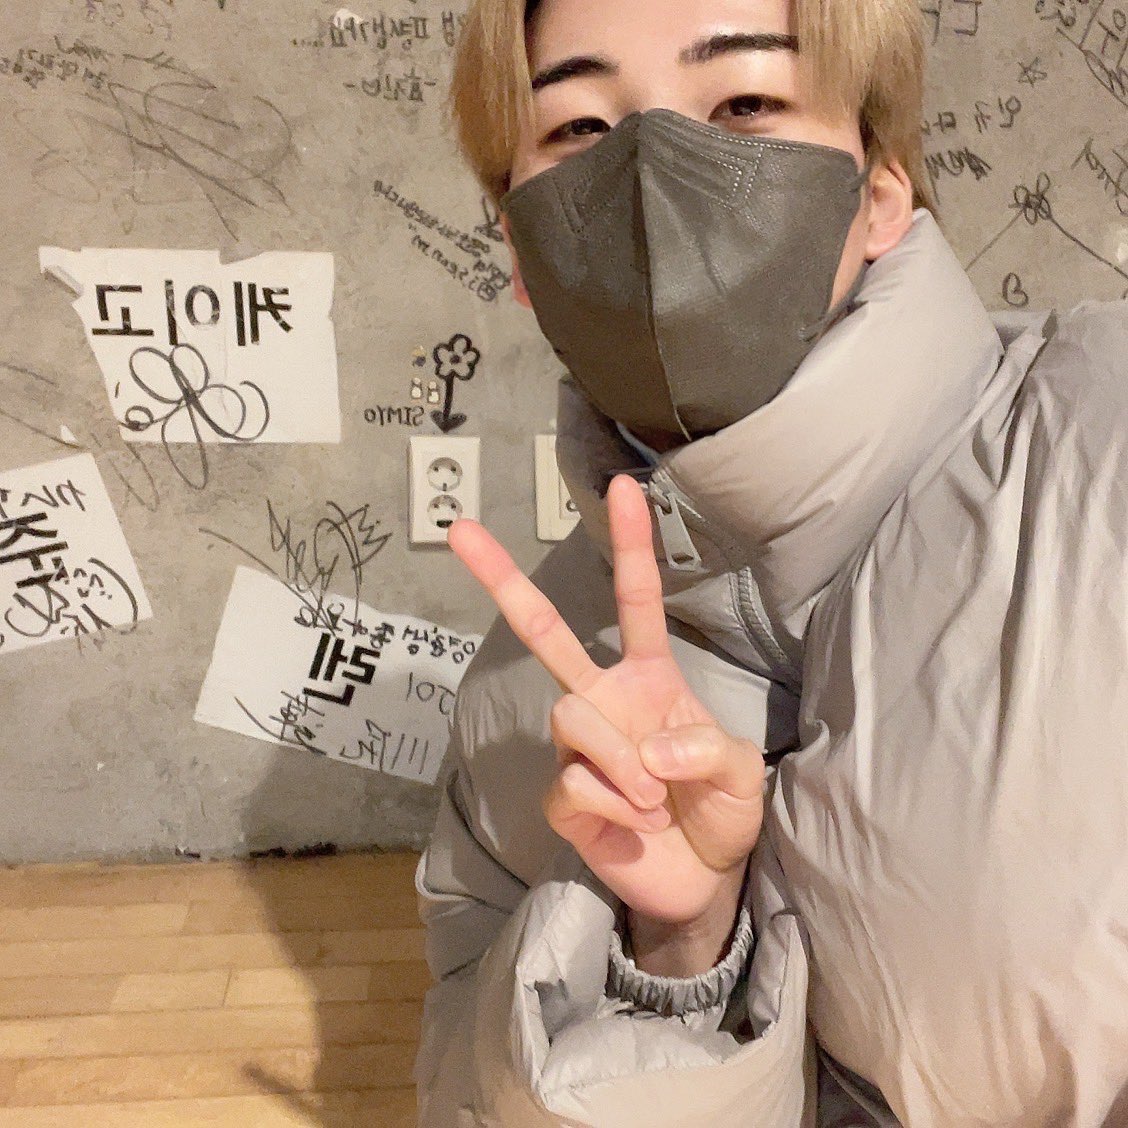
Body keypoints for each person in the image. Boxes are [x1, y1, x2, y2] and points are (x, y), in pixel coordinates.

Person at [414, 0, 1128, 1123]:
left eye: (745, 101)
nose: (652, 175)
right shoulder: (521, 700)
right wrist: (677, 947)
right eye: (581, 129)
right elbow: (473, 1095)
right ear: (519, 248)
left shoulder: (1105, 451)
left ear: (879, 191)